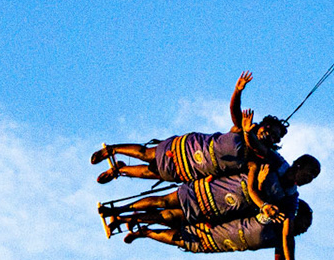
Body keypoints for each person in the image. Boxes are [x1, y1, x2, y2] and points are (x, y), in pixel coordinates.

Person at [92, 71, 285, 185]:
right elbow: (234, 110)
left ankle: (120, 170)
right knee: (148, 155)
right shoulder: (243, 128)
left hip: (198, 169)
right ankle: (112, 149)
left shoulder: (259, 155)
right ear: (263, 125)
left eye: (275, 138)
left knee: (150, 172)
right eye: (271, 131)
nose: (270, 137)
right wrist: (238, 91)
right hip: (192, 147)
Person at [101, 154, 319, 237]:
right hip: (210, 189)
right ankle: (118, 209)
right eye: (309, 173)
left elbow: (274, 222)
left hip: (218, 209)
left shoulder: (290, 198)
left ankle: (124, 219)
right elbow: (249, 154)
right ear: (298, 165)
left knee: (167, 216)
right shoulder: (274, 161)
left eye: (313, 178)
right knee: (163, 200)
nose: (309, 179)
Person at [127, 201, 312, 260]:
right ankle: (135, 217)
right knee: (176, 220)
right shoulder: (273, 217)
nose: (302, 230)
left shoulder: (281, 240)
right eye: (303, 225)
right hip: (218, 223)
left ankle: (145, 232)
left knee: (180, 238)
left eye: (305, 229)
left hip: (222, 241)